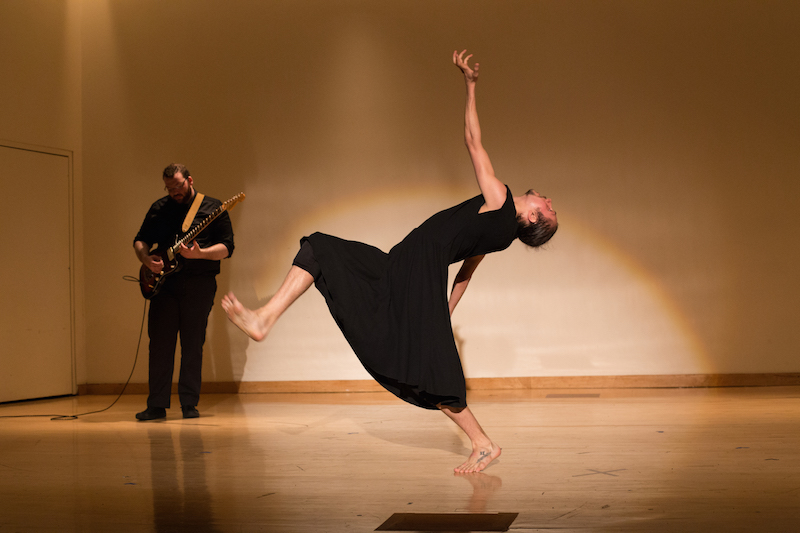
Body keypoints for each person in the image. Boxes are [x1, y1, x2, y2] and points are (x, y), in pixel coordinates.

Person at [221, 50, 557, 471]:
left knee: (433, 371)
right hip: (404, 266)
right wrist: (443, 312)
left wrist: (470, 85)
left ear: (532, 218)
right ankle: (265, 318)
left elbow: (473, 141)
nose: (547, 198)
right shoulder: (502, 234)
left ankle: (484, 442)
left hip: (415, 272)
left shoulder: (501, 201)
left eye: (548, 207)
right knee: (319, 247)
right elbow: (467, 270)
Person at [134, 164, 235, 420]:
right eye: (169, 188)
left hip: (199, 284)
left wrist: (201, 253)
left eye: (177, 186)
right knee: (159, 345)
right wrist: (146, 259)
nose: (173, 192)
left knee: (193, 344)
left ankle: (189, 404)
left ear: (189, 180)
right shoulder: (159, 208)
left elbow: (227, 247)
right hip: (164, 286)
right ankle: (156, 405)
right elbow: (140, 239)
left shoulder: (213, 208)